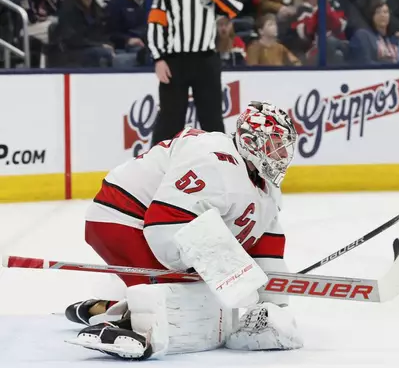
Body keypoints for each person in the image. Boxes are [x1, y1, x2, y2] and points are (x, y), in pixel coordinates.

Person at [64, 102, 303, 359]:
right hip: (122, 219)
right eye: (274, 145)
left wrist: (273, 302)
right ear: (250, 141)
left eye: (282, 147)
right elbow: (166, 225)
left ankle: (106, 306)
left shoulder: (264, 185)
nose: (281, 155)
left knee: (211, 304)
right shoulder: (213, 160)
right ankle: (125, 324)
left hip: (154, 228)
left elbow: (264, 240)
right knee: (188, 307)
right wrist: (237, 279)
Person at [147, 0, 243, 145]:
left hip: (206, 60)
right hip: (174, 61)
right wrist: (159, 58)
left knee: (212, 119)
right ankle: (158, 166)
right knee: (170, 119)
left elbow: (235, 7)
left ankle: (217, 163)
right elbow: (156, 23)